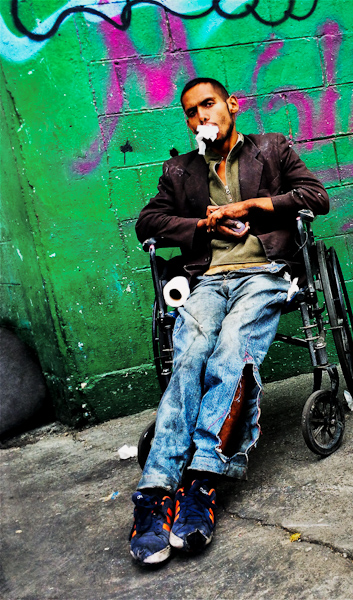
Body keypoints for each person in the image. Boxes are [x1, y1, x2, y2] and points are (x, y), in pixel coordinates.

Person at [129, 77, 329, 566]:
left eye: (209, 106)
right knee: (190, 356)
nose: (202, 118)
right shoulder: (179, 171)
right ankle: (154, 492)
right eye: (192, 113)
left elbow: (315, 197)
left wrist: (255, 205)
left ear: (231, 105)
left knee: (231, 349)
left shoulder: (272, 150)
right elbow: (147, 224)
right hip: (210, 280)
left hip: (264, 272)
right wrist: (202, 224)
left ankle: (203, 480)